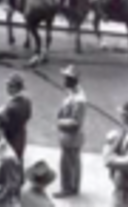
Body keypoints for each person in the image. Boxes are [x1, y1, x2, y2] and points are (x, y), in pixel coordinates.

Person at [54, 64, 87, 198]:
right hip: (69, 136)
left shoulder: (79, 100)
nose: (63, 80)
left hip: (71, 136)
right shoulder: (73, 93)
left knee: (67, 164)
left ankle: (67, 188)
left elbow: (76, 123)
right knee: (73, 162)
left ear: (72, 80)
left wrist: (59, 122)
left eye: (66, 78)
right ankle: (73, 187)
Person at [103, 102, 128, 207]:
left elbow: (108, 161)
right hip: (121, 190)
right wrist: (123, 132)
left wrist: (109, 143)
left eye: (123, 116)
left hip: (127, 195)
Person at [0, 73, 32, 163]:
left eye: (10, 86)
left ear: (15, 88)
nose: (7, 88)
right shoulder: (27, 101)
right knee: (18, 160)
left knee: (10, 163)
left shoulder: (12, 106)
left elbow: (5, 125)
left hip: (11, 139)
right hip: (21, 135)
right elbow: (28, 116)